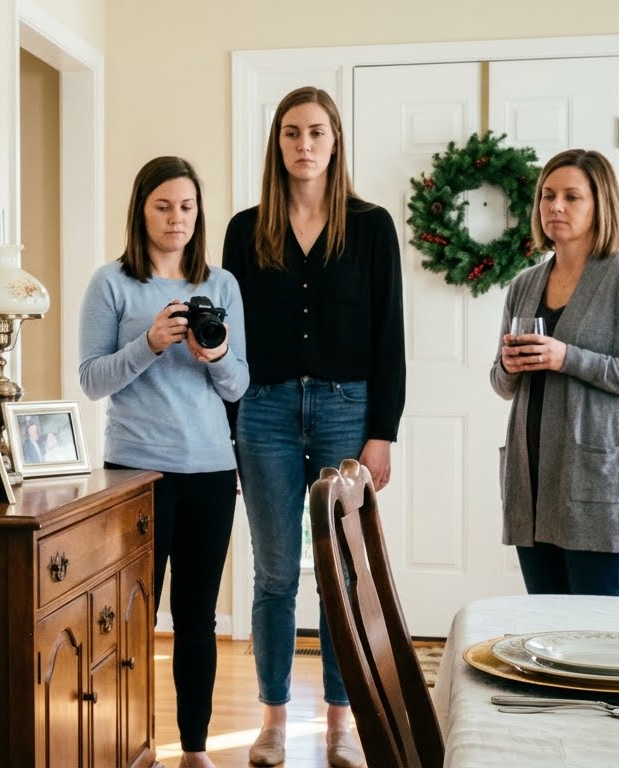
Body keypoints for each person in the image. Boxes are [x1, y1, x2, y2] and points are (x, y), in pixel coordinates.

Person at [222, 86, 405, 768]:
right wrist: (227, 432)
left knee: (340, 577)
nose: (304, 145)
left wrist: (380, 432)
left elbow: (389, 336)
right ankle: (272, 721)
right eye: (292, 132)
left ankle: (339, 722)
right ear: (277, 142)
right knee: (273, 575)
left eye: (316, 133)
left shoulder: (371, 226)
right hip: (263, 414)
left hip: (344, 411)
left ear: (334, 143)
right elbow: (229, 343)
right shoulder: (245, 230)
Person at [79, 156, 248, 768]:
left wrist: (218, 354)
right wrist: (148, 343)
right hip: (135, 473)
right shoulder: (112, 284)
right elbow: (92, 380)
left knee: (197, 618)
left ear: (198, 214)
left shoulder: (221, 285)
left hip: (208, 471)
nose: (176, 218)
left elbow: (237, 387)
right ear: (140, 210)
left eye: (186, 207)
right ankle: (130, 744)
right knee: (132, 621)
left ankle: (196, 749)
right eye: (163, 206)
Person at [490, 148, 619, 596]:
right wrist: (509, 367)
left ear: (600, 205)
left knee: (595, 638)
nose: (555, 206)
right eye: (548, 196)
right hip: (531, 485)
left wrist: (567, 357)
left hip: (595, 486)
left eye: (572, 197)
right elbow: (500, 383)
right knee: (546, 638)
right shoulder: (525, 284)